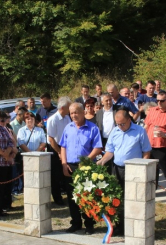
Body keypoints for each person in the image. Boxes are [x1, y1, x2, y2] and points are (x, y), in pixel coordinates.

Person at [97, 109, 151, 235]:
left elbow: (146, 151)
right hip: (117, 169)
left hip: (133, 170)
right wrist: (102, 161)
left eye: (122, 124)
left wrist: (143, 168)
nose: (120, 127)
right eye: (117, 124)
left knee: (132, 199)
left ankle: (134, 226)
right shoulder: (115, 131)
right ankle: (120, 226)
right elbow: (110, 151)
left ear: (129, 120)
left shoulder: (139, 131)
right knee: (117, 199)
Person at [60, 102, 103, 234]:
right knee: (72, 196)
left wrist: (86, 161)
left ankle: (89, 224)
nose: (73, 115)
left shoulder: (93, 128)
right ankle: (76, 223)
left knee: (87, 196)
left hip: (86, 166)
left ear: (83, 112)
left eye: (76, 112)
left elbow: (98, 148)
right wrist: (64, 164)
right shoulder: (68, 128)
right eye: (71, 113)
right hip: (71, 166)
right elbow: (63, 146)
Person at [47, 97, 72, 206]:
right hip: (55, 147)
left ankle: (68, 194)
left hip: (65, 146)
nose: (70, 109)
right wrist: (58, 152)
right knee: (56, 175)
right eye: (68, 107)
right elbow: (51, 138)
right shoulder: (53, 119)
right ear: (62, 108)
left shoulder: (67, 118)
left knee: (66, 171)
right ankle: (57, 198)